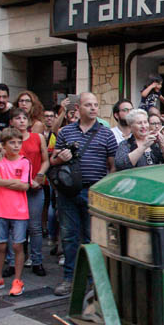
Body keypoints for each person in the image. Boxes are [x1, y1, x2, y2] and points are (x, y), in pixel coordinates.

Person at [51, 93, 118, 295]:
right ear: (78, 108)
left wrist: (104, 190)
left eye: (96, 105)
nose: (93, 108)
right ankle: (69, 279)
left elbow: (113, 166)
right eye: (88, 105)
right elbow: (53, 160)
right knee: (69, 237)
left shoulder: (106, 133)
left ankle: (92, 280)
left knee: (93, 238)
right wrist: (61, 158)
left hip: (94, 192)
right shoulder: (65, 132)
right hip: (68, 192)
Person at [0, 127, 34, 296]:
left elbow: (24, 185)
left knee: (18, 245)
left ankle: (18, 280)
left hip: (19, 210)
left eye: (19, 142)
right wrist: (13, 182)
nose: (16, 146)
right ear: (4, 145)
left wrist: (2, 181)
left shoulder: (25, 162)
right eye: (12, 142)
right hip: (0, 208)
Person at [5, 107, 49, 277]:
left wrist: (40, 175)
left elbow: (45, 160)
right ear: (11, 122)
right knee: (14, 228)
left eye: (24, 118)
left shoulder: (38, 138)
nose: (22, 121)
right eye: (18, 118)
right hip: (16, 188)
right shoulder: (8, 142)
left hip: (35, 188)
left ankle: (37, 261)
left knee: (35, 227)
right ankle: (12, 262)